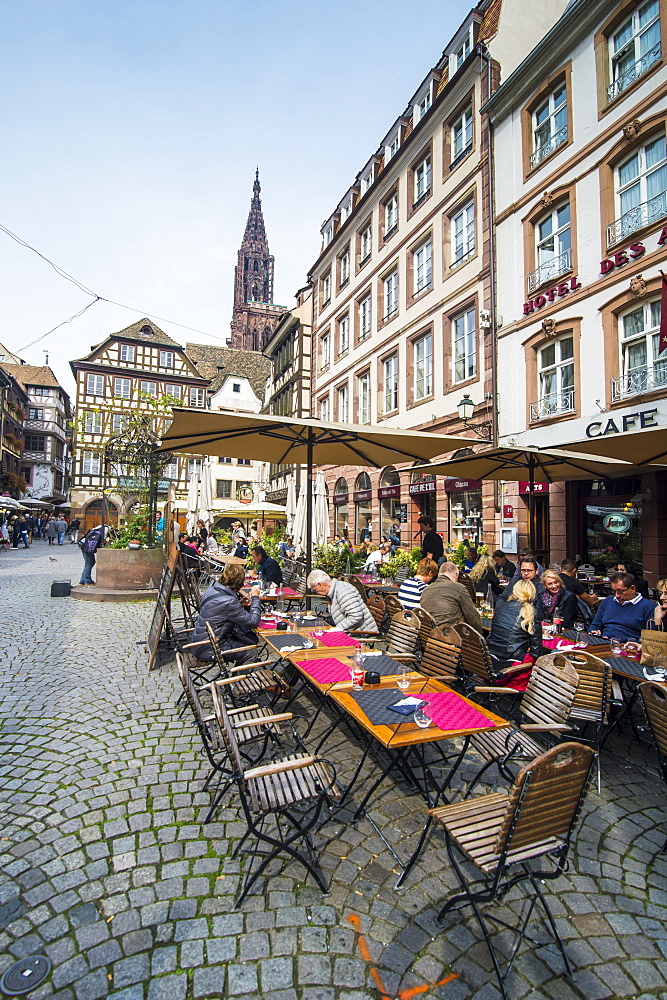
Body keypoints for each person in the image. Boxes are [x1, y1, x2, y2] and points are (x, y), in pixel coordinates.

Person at [191, 563, 262, 664]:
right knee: (251, 652)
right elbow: (253, 621)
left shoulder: (211, 590)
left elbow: (220, 610)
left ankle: (237, 675)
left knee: (244, 644)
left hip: (199, 642)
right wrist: (255, 598)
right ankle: (239, 679)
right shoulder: (229, 602)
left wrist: (238, 603)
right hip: (209, 647)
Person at [488, 579, 543, 674]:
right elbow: (536, 650)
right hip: (513, 664)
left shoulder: (501, 608)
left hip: (493, 659)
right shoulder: (531, 613)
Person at [589, 572, 656, 643]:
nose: (617, 595)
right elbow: (595, 625)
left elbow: (651, 638)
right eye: (614, 591)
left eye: (620, 592)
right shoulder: (607, 602)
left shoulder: (648, 606)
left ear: (632, 589)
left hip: (629, 647)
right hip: (604, 643)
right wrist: (594, 632)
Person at [420, 562, 483, 631]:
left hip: (431, 635)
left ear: (439, 575)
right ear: (455, 575)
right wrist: (480, 635)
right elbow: (472, 616)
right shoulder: (459, 588)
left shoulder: (426, 590)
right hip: (452, 636)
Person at [307, 570, 377, 632]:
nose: (316, 592)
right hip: (349, 630)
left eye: (315, 590)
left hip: (361, 633)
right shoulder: (333, 591)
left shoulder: (344, 591)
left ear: (320, 585)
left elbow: (356, 616)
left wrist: (337, 628)